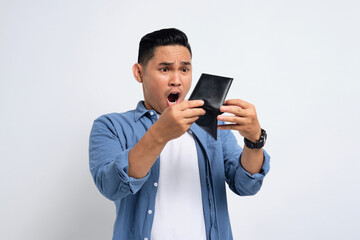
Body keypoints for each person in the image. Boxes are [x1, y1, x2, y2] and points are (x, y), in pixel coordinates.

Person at [89, 28, 270, 240]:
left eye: (184, 70)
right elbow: (111, 186)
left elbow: (246, 185)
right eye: (165, 69)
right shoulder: (110, 126)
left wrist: (254, 141)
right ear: (139, 73)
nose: (177, 80)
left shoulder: (213, 127)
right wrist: (160, 134)